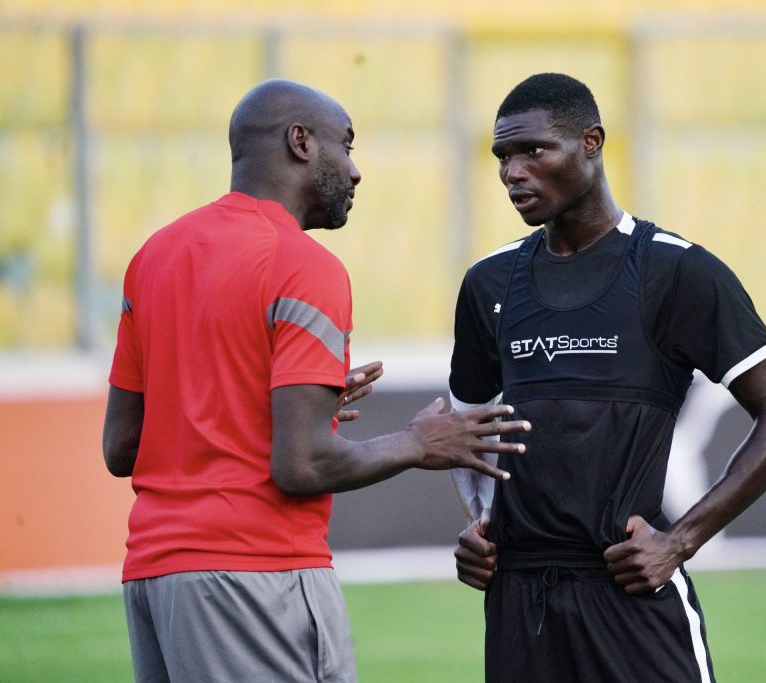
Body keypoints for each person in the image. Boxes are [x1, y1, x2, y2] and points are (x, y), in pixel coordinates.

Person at [102, 78, 529, 683]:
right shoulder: (303, 265)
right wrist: (420, 442)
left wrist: (268, 401)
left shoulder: (154, 256)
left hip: (153, 580)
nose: (355, 172)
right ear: (301, 142)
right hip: (256, 578)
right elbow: (300, 466)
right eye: (346, 146)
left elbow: (122, 448)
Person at [451, 72, 766, 682]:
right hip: (518, 603)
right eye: (502, 157)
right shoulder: (490, 282)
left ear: (590, 143)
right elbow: (469, 424)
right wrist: (483, 525)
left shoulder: (674, 270)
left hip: (629, 590)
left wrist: (680, 541)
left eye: (533, 150)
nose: (513, 172)